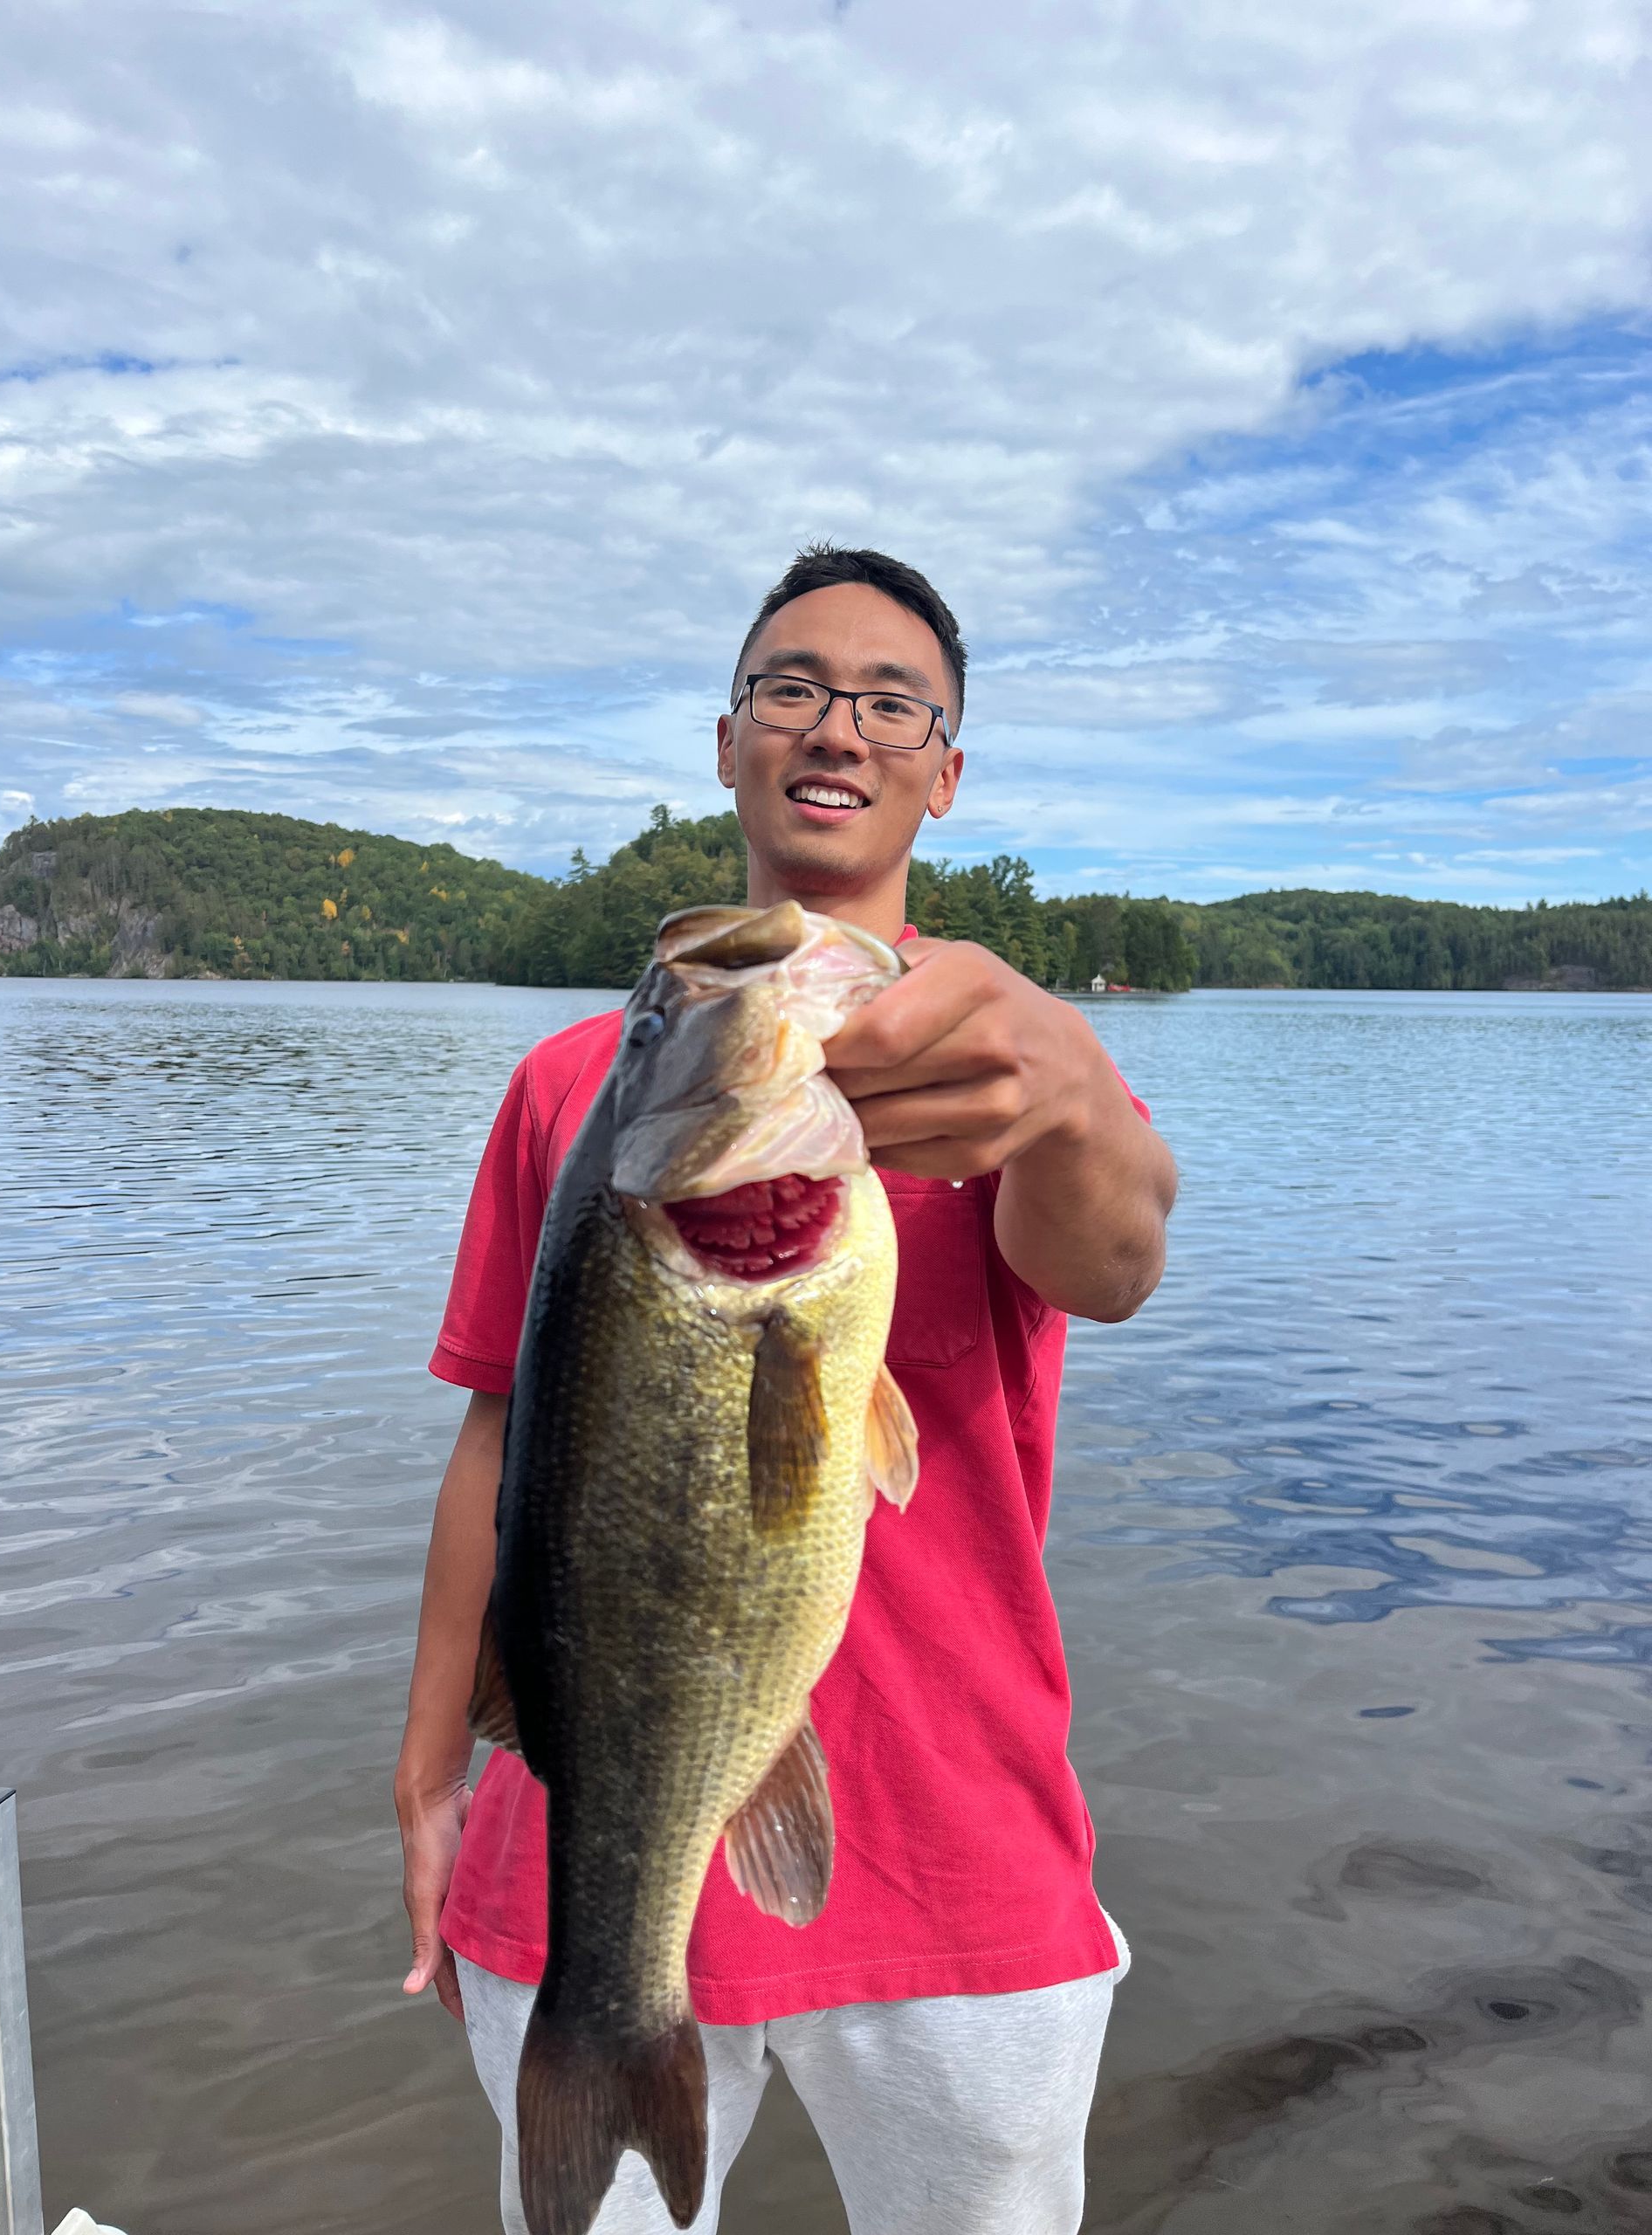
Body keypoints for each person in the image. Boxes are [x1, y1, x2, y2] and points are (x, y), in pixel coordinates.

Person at [395, 545, 1178, 2235]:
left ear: (945, 772)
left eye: (892, 700)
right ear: (731, 738)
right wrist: (426, 1762)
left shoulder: (1011, 1054)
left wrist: (1066, 1094)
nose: (838, 724)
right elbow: (495, 1437)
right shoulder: (570, 1089)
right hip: (590, 1822)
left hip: (961, 1841)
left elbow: (1117, 1265)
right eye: (792, 687)